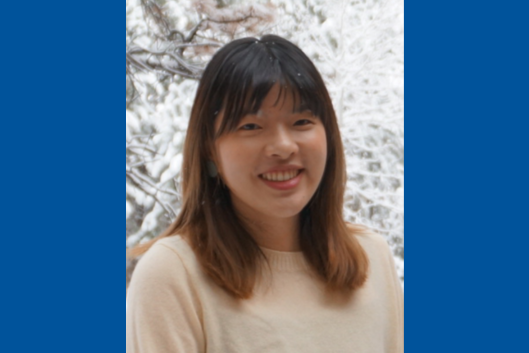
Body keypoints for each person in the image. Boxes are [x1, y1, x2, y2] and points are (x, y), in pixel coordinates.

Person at [126, 34, 403, 353]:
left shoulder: (372, 258)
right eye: (251, 127)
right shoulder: (175, 274)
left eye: (302, 121)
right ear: (209, 149)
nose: (284, 146)